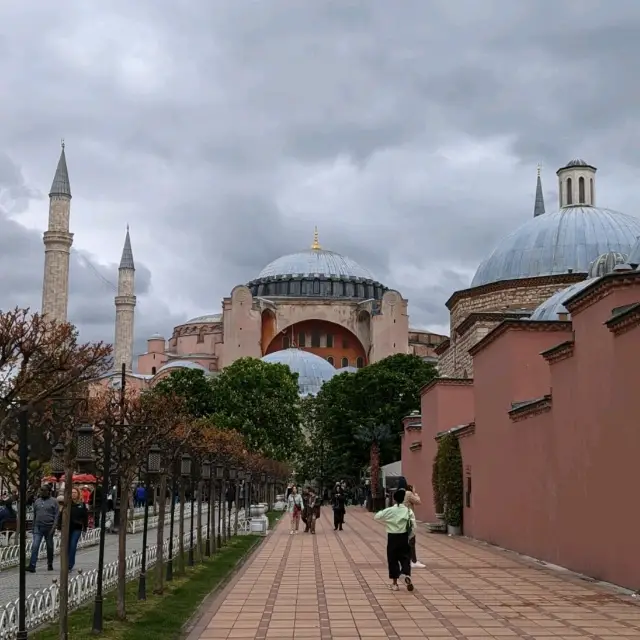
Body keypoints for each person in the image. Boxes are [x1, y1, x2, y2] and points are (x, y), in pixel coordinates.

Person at [374, 488, 415, 592]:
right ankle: (406, 574)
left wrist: (387, 520)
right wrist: (410, 536)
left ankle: (395, 584)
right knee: (405, 558)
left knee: (393, 559)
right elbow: (413, 525)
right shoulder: (408, 510)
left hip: (392, 537)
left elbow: (377, 516)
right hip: (403, 536)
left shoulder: (390, 510)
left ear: (394, 499)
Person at [27, 486, 59, 573]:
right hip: (38, 527)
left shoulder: (54, 501)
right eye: (41, 490)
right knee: (35, 545)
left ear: (49, 491)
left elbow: (56, 516)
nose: (42, 492)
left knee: (49, 546)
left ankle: (50, 563)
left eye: (44, 490)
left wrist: (54, 527)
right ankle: (32, 565)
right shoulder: (37, 501)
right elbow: (35, 515)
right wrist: (33, 527)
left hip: (49, 527)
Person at [404, 484, 425, 569]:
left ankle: (408, 560)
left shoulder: (402, 493)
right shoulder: (409, 494)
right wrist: (415, 494)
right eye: (413, 487)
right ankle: (414, 561)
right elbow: (418, 501)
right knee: (412, 540)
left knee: (407, 540)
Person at [67, 487, 88, 572]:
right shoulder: (68, 503)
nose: (73, 494)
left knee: (73, 545)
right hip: (68, 528)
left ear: (78, 494)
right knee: (67, 546)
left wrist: (85, 528)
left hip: (77, 528)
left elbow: (85, 517)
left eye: (75, 492)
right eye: (72, 492)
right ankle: (66, 561)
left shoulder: (82, 504)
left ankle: (70, 564)